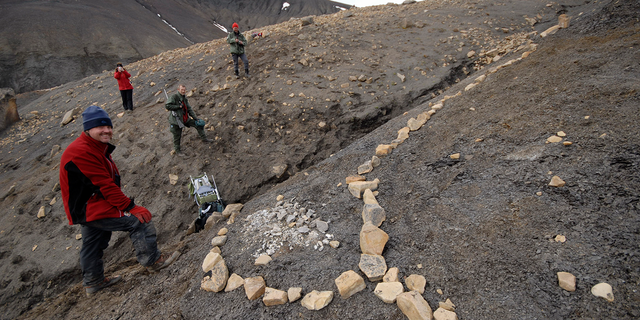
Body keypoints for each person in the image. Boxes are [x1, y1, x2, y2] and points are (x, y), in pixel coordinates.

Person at [59, 105, 177, 296]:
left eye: (108, 126)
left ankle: (93, 282)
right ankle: (153, 261)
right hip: (91, 206)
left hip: (87, 205)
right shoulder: (82, 152)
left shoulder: (94, 147)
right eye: (100, 127)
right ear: (88, 129)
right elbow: (105, 184)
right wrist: (131, 207)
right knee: (139, 220)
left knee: (93, 242)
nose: (106, 130)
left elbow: (104, 182)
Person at [165, 84, 212, 156]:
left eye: (184, 90)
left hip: (185, 119)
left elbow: (189, 109)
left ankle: (204, 138)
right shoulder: (174, 97)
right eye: (182, 90)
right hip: (176, 121)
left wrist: (195, 118)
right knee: (177, 136)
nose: (183, 91)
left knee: (198, 125)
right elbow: (167, 106)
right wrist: (178, 106)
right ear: (178, 90)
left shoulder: (184, 99)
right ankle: (178, 151)